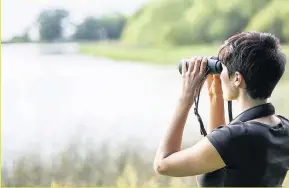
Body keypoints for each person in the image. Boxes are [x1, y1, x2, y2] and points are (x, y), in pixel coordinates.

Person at [153, 31, 289, 187]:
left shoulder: (237, 136)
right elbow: (222, 151)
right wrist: (216, 96)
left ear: (237, 79)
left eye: (222, 68)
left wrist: (186, 98)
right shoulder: (283, 128)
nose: (220, 73)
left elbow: (162, 164)